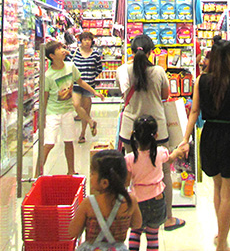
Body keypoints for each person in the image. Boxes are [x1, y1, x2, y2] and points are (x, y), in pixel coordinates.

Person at [180, 35, 230, 251]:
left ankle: (221, 234)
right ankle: (222, 244)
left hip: (209, 136)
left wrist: (185, 139)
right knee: (229, 194)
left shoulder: (201, 80)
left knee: (218, 188)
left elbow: (194, 112)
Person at [116, 34, 186, 232]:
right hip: (157, 129)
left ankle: (134, 217)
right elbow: (164, 95)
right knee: (164, 172)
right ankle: (167, 218)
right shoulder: (159, 71)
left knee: (132, 170)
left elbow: (122, 94)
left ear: (131, 51)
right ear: (151, 52)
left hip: (131, 129)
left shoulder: (122, 71)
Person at [39, 40, 104, 176]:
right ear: (51, 56)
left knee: (69, 142)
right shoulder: (48, 76)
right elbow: (44, 98)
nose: (63, 50)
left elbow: (80, 82)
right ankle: (37, 174)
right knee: (49, 144)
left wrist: (95, 92)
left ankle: (71, 171)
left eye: (62, 47)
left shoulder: (70, 66)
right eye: (58, 49)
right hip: (53, 113)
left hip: (67, 112)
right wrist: (42, 117)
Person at [126, 115, 188, 251]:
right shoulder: (160, 152)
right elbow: (169, 159)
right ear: (156, 135)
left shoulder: (129, 158)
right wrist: (177, 152)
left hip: (137, 201)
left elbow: (126, 181)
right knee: (153, 235)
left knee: (135, 231)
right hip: (157, 199)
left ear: (133, 134)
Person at [69, 149, 142, 251]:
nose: (90, 176)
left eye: (92, 173)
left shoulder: (88, 204)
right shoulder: (130, 201)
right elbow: (137, 224)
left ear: (104, 183)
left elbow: (73, 232)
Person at [72, 31, 103, 143]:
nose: (87, 42)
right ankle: (91, 121)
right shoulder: (74, 53)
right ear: (80, 41)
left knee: (86, 109)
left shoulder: (95, 55)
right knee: (76, 105)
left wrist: (91, 76)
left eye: (89, 40)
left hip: (89, 85)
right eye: (84, 39)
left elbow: (99, 68)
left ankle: (82, 134)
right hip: (76, 84)